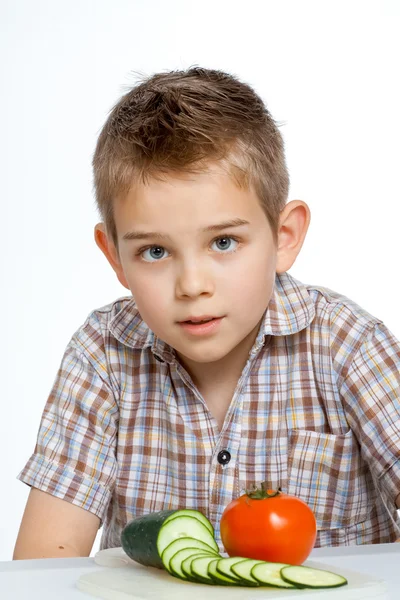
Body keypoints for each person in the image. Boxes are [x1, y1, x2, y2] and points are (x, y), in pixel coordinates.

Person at [13, 67, 400, 560]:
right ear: (115, 257)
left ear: (284, 238)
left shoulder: (349, 344)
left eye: (223, 242)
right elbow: (45, 563)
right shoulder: (102, 355)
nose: (192, 285)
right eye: (155, 251)